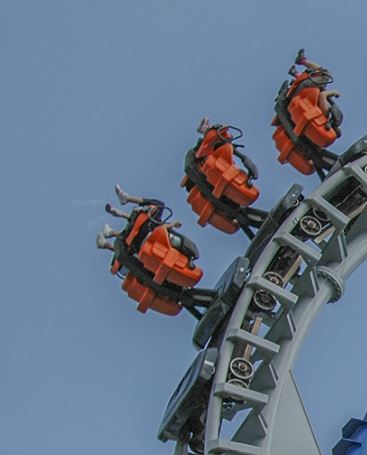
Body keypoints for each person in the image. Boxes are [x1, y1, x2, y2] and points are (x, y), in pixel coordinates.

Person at [97, 186, 205, 316]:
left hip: (149, 248)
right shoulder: (151, 229)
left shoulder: (144, 232)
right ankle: (122, 208)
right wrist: (172, 225)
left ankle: (110, 233)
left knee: (135, 238)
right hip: (151, 247)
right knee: (153, 215)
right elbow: (160, 229)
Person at [181, 118, 264, 235]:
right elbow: (207, 190)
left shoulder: (220, 149)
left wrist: (249, 165)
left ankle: (243, 218)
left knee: (238, 205)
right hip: (200, 178)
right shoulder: (198, 159)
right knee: (230, 208)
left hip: (217, 183)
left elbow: (236, 153)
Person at [273, 49, 343, 175]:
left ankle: (296, 71)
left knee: (324, 76)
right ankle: (302, 62)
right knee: (326, 75)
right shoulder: (324, 116)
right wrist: (331, 93)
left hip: (298, 94)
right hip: (301, 93)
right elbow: (323, 95)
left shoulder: (320, 118)